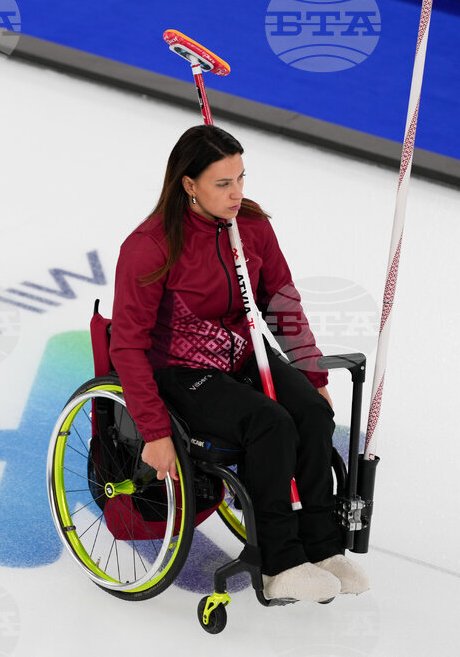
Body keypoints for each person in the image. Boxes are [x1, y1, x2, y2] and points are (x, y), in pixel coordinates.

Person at [108, 124, 369, 602]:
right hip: (182, 368)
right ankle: (280, 562)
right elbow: (126, 345)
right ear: (189, 185)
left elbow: (281, 301)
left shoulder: (249, 224)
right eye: (223, 184)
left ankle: (323, 547)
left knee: (312, 413)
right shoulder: (148, 246)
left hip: (243, 350)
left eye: (241, 178)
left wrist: (310, 373)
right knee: (269, 424)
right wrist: (155, 430)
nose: (237, 193)